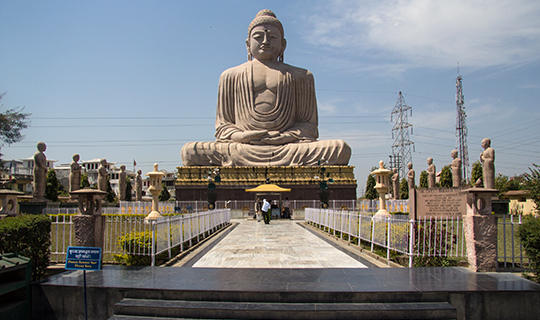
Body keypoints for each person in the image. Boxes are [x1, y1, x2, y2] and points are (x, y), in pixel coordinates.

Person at [181, 9, 351, 167]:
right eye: (258, 37)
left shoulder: (302, 76)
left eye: (272, 37)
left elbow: (308, 127)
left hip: (287, 147)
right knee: (190, 151)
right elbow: (223, 126)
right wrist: (242, 136)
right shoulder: (230, 75)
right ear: (248, 44)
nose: (265, 41)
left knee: (340, 149)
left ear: (283, 44)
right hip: (243, 147)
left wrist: (284, 137)